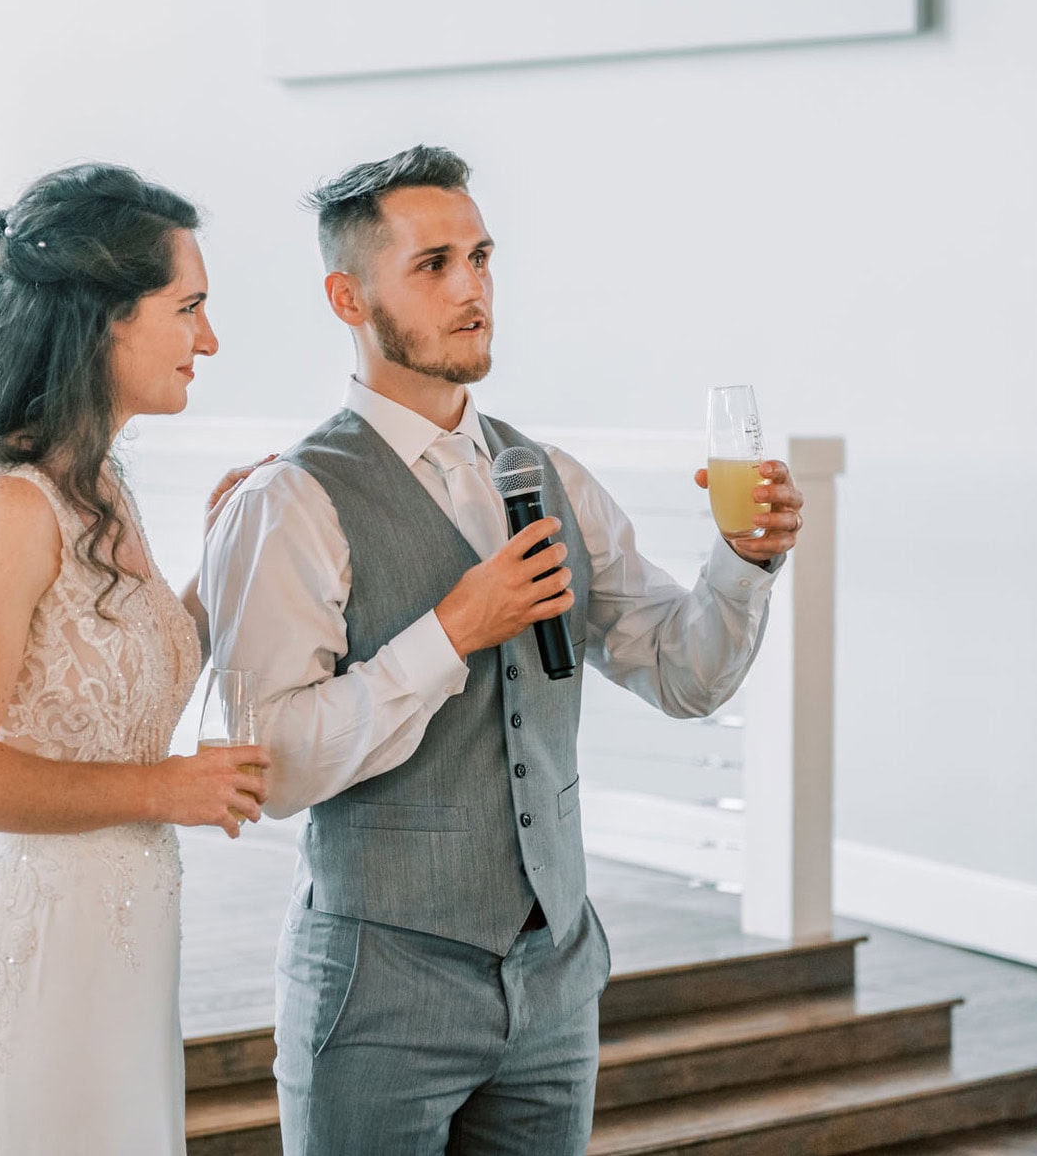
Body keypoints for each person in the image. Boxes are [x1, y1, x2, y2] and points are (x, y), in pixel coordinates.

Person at [200, 145, 806, 1155]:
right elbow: (274, 764)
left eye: (480, 257)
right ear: (345, 296)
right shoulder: (290, 501)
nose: (472, 287)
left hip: (554, 986)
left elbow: (686, 672)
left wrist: (740, 561)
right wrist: (450, 630)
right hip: (378, 998)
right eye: (432, 264)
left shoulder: (547, 473)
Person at [0, 163, 269, 1155]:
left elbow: (116, 701)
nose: (209, 339)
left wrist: (223, 562)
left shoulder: (101, 487)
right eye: (189, 307)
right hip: (26, 974)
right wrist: (165, 790)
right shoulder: (9, 506)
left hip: (118, 968)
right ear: (104, 318)